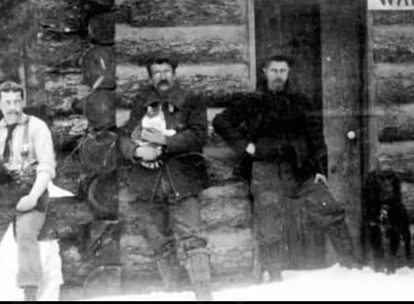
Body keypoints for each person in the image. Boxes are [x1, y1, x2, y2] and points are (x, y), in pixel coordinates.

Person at [213, 55, 358, 282]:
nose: (278, 75)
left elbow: (316, 138)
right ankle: (274, 276)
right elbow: (221, 121)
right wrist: (246, 146)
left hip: (300, 170)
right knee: (269, 224)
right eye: (274, 71)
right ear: (264, 72)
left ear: (288, 73)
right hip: (265, 170)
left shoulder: (301, 102)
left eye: (283, 71)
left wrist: (321, 170)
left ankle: (351, 268)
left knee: (331, 210)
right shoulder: (252, 101)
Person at [117, 54, 212, 300]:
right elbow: (124, 137)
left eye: (167, 71)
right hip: (149, 182)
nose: (163, 76)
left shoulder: (192, 100)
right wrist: (138, 151)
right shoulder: (141, 103)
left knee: (193, 237)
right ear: (150, 78)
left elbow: (199, 135)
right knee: (158, 239)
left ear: (175, 74)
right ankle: (175, 292)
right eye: (157, 73)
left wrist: (166, 141)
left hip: (183, 177)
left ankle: (203, 294)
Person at [0, 81, 56, 301]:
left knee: (26, 237)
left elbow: (46, 167)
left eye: (17, 101)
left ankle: (30, 295)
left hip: (30, 196)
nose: (13, 107)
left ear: (23, 101)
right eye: (7, 102)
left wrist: (33, 197)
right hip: (0, 202)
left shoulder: (37, 127)